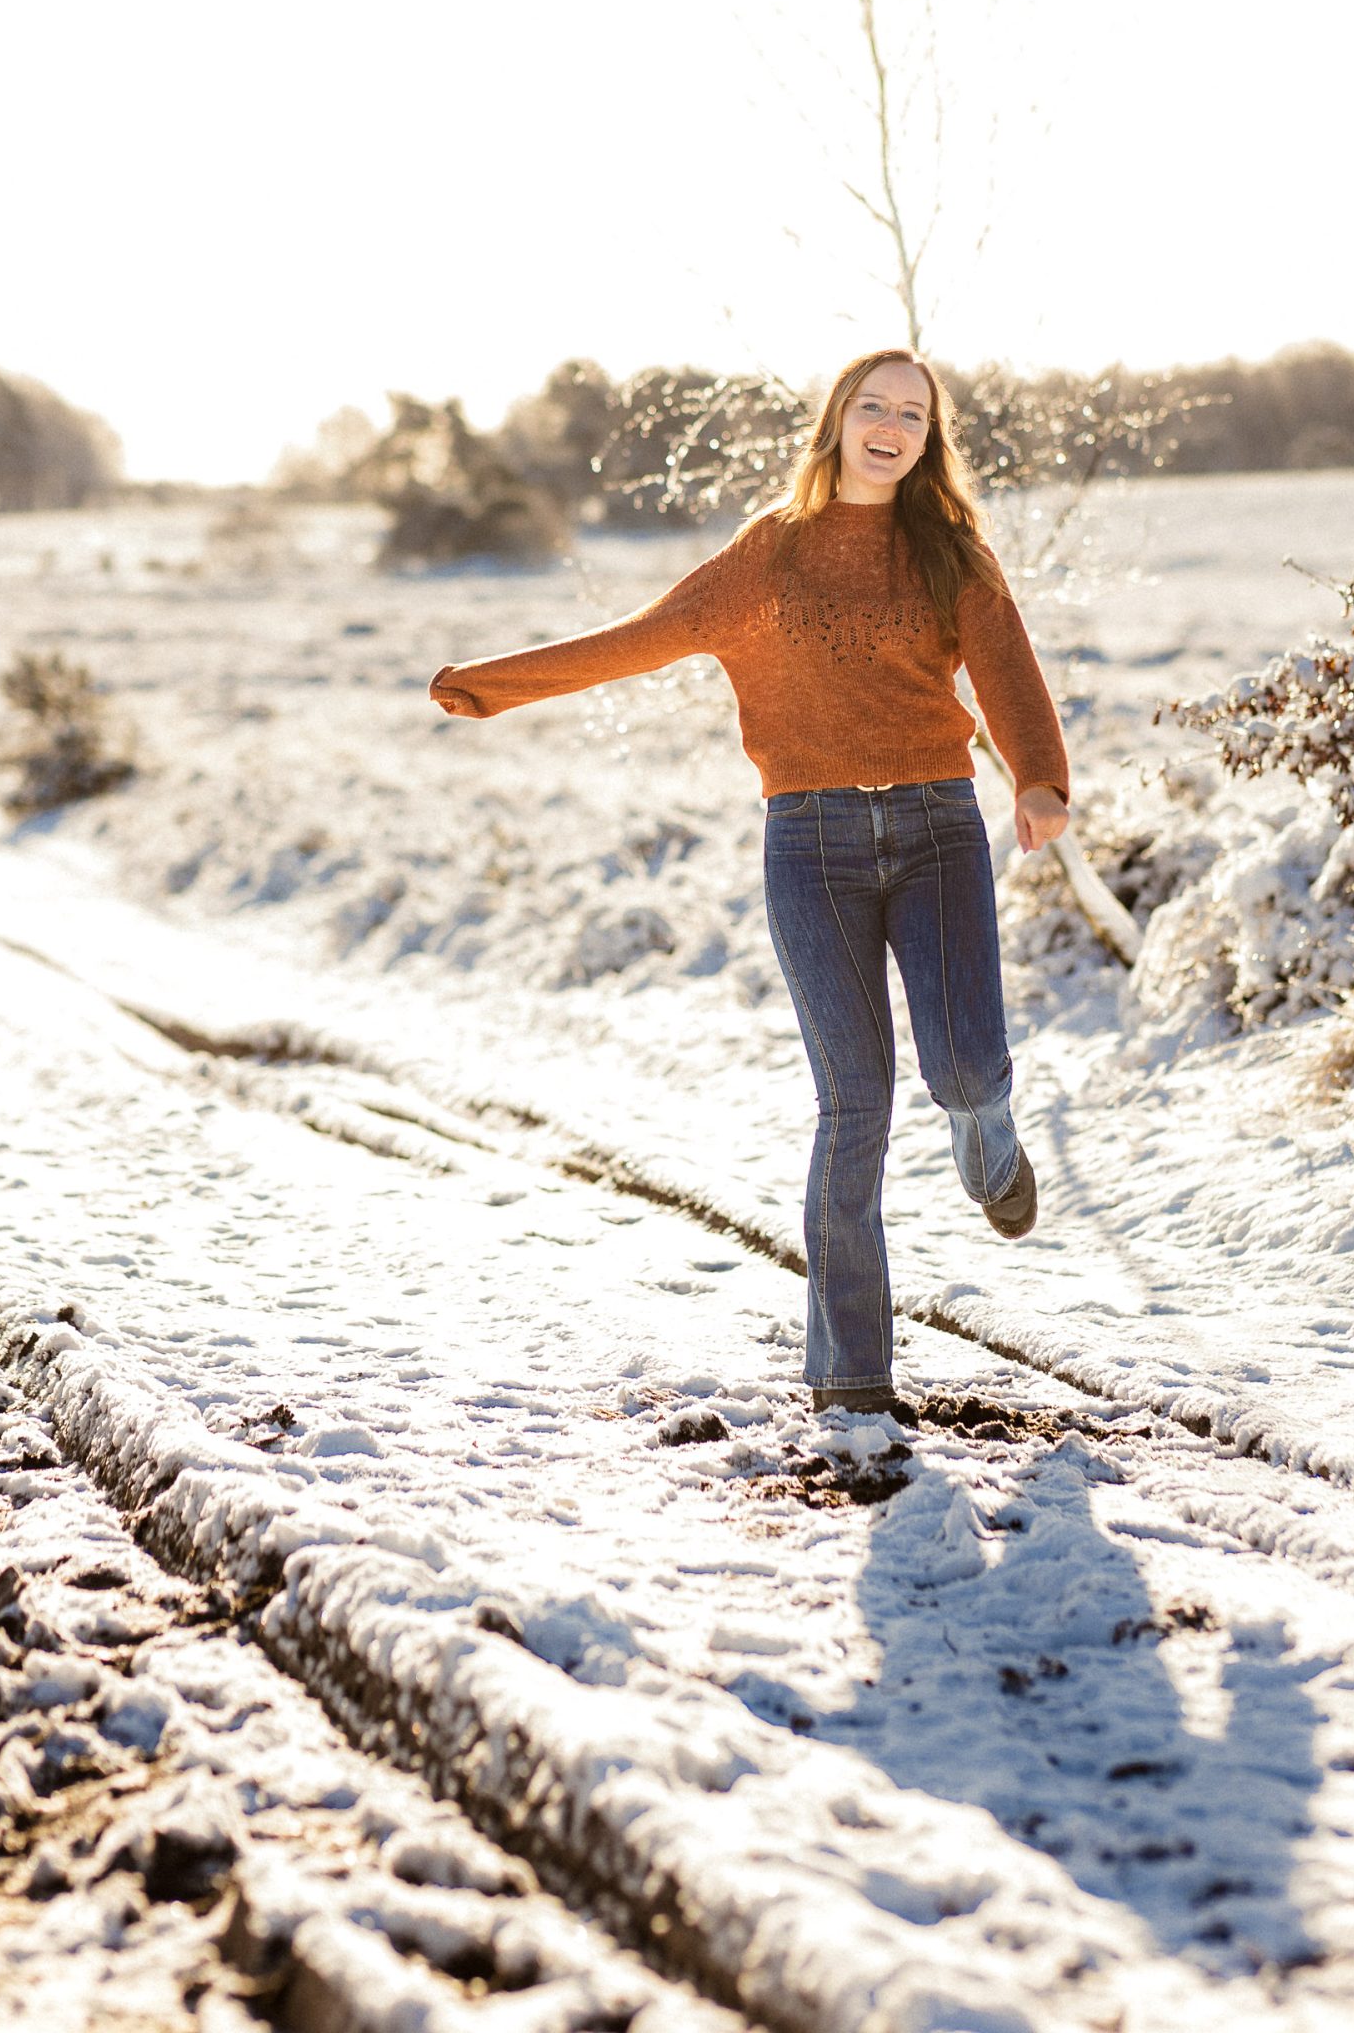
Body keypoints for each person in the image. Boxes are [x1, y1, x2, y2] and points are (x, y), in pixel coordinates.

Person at [428, 348, 1070, 1424]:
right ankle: (851, 1378)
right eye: (874, 406)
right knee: (853, 1102)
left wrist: (1041, 779)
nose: (891, 426)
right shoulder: (768, 555)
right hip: (809, 842)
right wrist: (496, 686)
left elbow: (1006, 663)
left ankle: (984, 1129)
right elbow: (645, 638)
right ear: (835, 422)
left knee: (961, 1066)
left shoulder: (950, 551)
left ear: (929, 439)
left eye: (913, 414)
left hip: (936, 825)